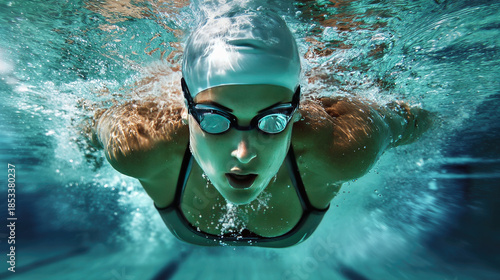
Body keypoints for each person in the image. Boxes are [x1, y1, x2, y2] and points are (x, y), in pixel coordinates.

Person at [91, 10, 431, 247]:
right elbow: (88, 122)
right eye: (214, 119)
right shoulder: (140, 143)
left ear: (296, 113)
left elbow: (415, 118)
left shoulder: (343, 146)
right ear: (185, 109)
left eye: (272, 121)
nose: (244, 152)